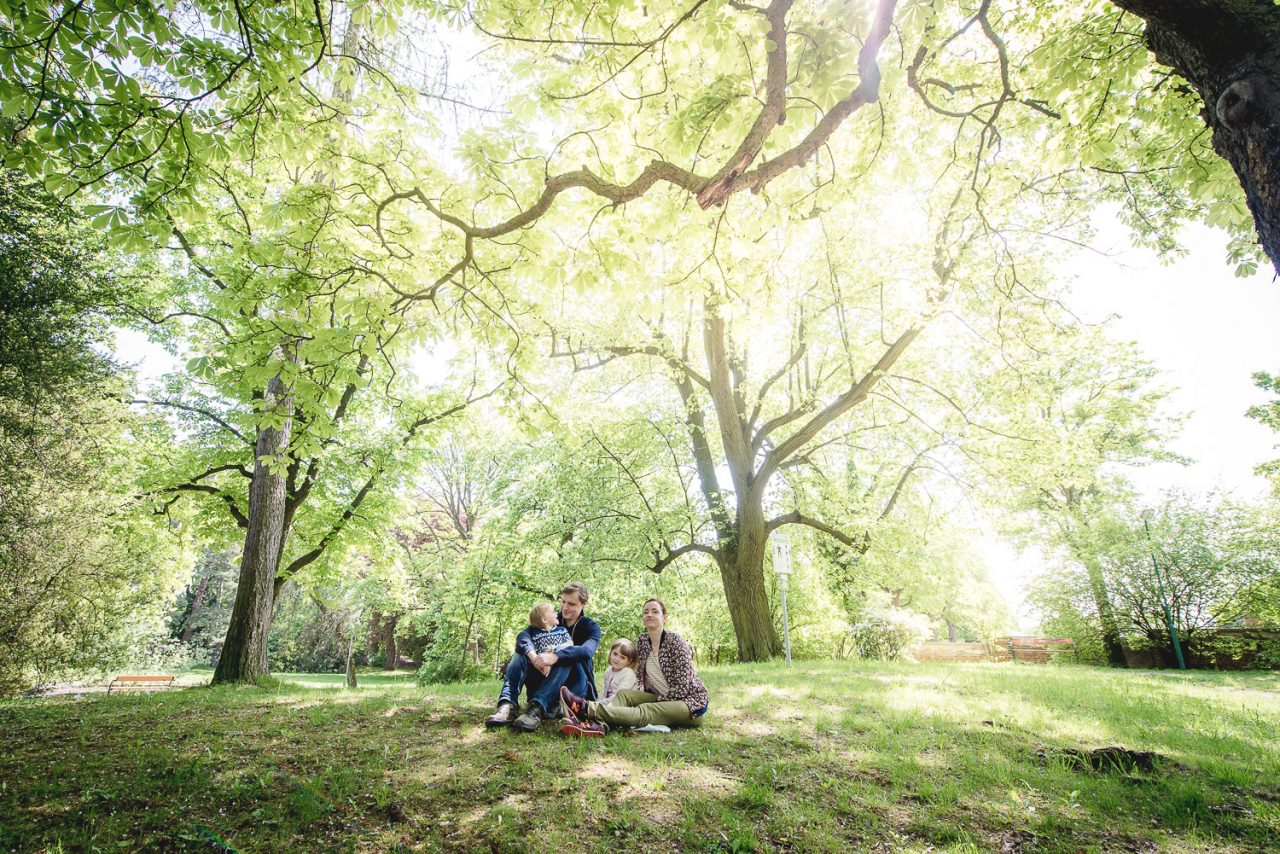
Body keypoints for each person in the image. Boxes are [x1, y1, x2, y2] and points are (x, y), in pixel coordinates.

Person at [560, 597, 708, 737]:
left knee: (645, 709)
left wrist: (659, 700)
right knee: (625, 694)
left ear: (664, 617)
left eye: (655, 611)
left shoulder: (676, 642)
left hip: (689, 704)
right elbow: (637, 670)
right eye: (645, 611)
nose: (649, 614)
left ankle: (585, 708)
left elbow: (683, 686)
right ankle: (599, 726)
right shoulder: (643, 642)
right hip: (660, 697)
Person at [484, 582, 601, 732]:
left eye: (571, 604)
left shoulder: (591, 627)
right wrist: (534, 657)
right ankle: (507, 705)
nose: (565, 607)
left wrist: (555, 656)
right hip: (544, 680)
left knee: (567, 654)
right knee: (521, 654)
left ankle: (536, 709)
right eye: (563, 601)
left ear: (583, 604)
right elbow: (523, 636)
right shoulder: (550, 618)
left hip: (574, 689)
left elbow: (586, 651)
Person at [599, 638, 639, 705]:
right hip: (609, 704)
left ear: (629, 661)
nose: (617, 659)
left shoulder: (628, 674)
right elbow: (606, 693)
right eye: (615, 654)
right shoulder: (608, 671)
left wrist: (600, 704)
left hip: (623, 705)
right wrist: (599, 703)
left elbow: (618, 696)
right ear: (611, 652)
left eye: (622, 657)